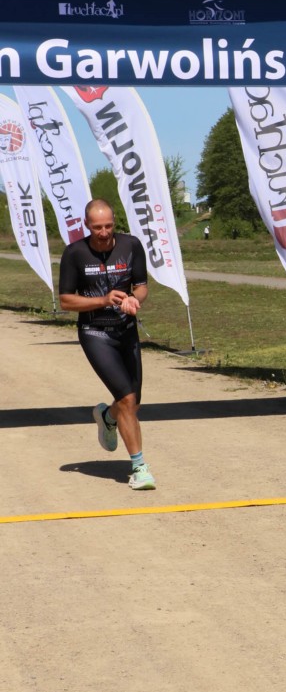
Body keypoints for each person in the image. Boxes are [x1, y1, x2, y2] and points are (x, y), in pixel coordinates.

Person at [59, 200, 156, 491]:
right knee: (126, 399)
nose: (103, 232)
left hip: (126, 331)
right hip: (95, 333)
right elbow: (66, 301)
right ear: (87, 225)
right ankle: (139, 468)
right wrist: (103, 300)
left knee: (133, 403)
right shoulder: (74, 253)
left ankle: (106, 417)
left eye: (108, 226)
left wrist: (134, 299)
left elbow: (141, 286)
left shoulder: (131, 245)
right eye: (97, 227)